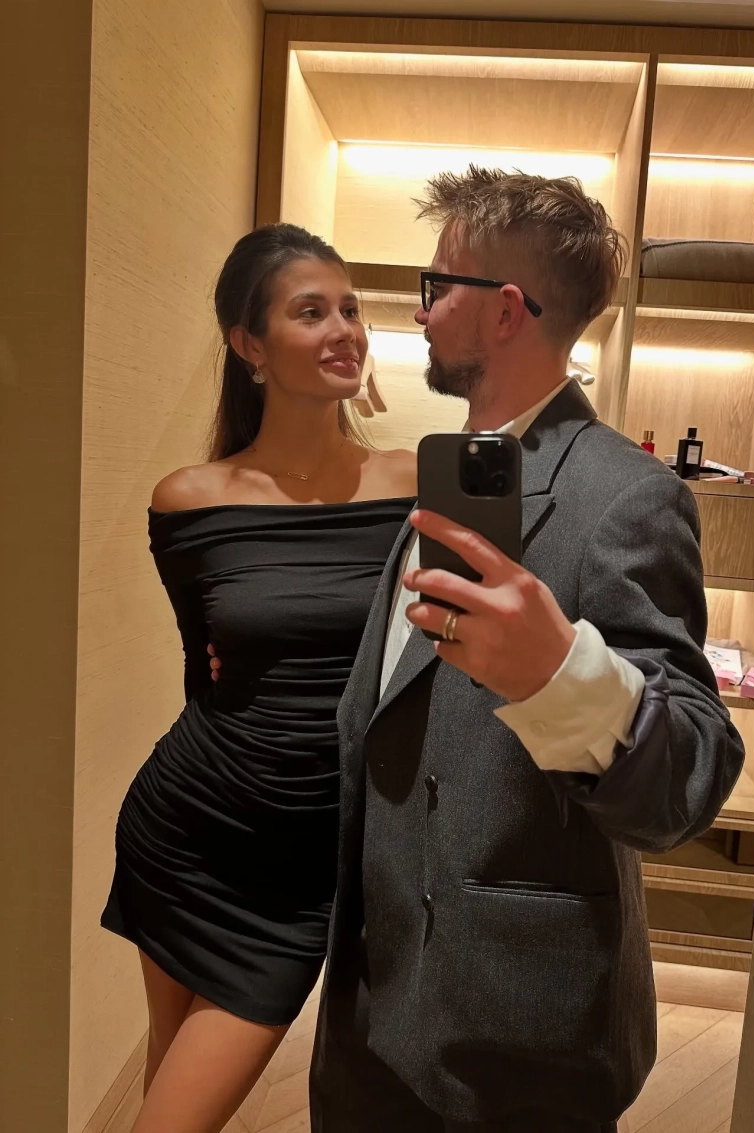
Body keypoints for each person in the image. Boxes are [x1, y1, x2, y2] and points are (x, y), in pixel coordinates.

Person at [308, 168, 746, 1132]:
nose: (419, 311)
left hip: (513, 1042)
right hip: (375, 1011)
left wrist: (560, 676)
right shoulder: (456, 478)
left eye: (436, 286)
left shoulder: (626, 496)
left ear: (505, 310)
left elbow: (692, 775)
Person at [101, 223, 417, 1133]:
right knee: (169, 1091)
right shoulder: (187, 499)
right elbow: (205, 671)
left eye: (351, 309)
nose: (344, 329)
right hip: (186, 829)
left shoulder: (414, 485)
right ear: (249, 345)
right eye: (311, 312)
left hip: (302, 868)